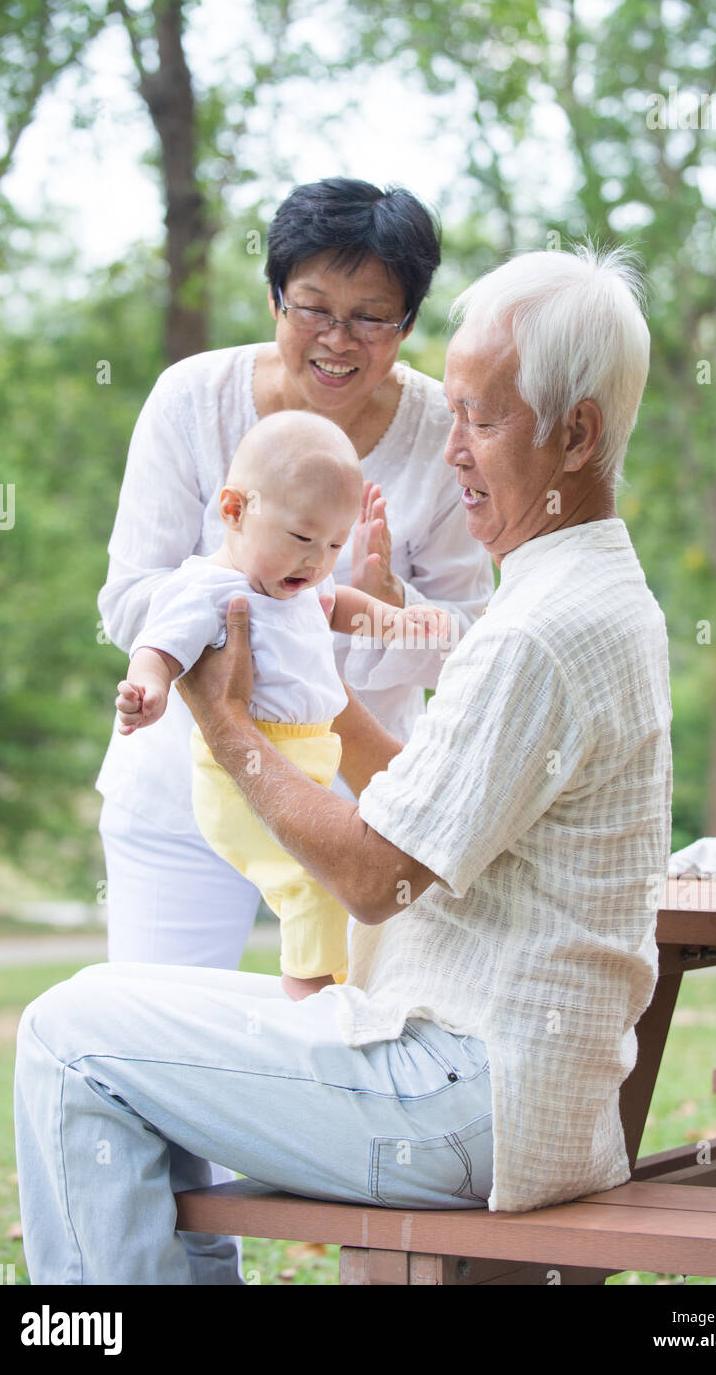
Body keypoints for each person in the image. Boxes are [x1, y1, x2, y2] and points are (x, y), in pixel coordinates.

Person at [14, 243, 674, 1285]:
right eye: (450, 412)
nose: (449, 450)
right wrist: (308, 675)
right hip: (495, 1079)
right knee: (116, 1011)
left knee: (67, 1032)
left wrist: (225, 719)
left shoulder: (537, 631)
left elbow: (374, 878)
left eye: (481, 418)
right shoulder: (585, 596)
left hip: (461, 1098)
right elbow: (420, 799)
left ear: (577, 432)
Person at [96, 177, 494, 971]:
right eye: (313, 307)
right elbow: (127, 598)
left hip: (357, 803)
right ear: (275, 298)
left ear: (407, 322)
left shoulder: (445, 438)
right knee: (157, 1030)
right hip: (183, 784)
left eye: (371, 317)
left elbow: (471, 639)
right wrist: (230, 617)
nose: (338, 340)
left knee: (342, 1029)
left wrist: (389, 610)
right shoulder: (191, 400)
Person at [116, 411, 449, 1000]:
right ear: (235, 511)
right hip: (238, 776)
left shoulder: (299, 579)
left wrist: (394, 620)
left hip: (308, 759)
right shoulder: (212, 589)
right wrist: (151, 688)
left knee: (340, 878)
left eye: (334, 544)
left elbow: (336, 603)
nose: (316, 561)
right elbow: (158, 644)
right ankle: (310, 1004)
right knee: (314, 882)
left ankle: (337, 983)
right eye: (301, 538)